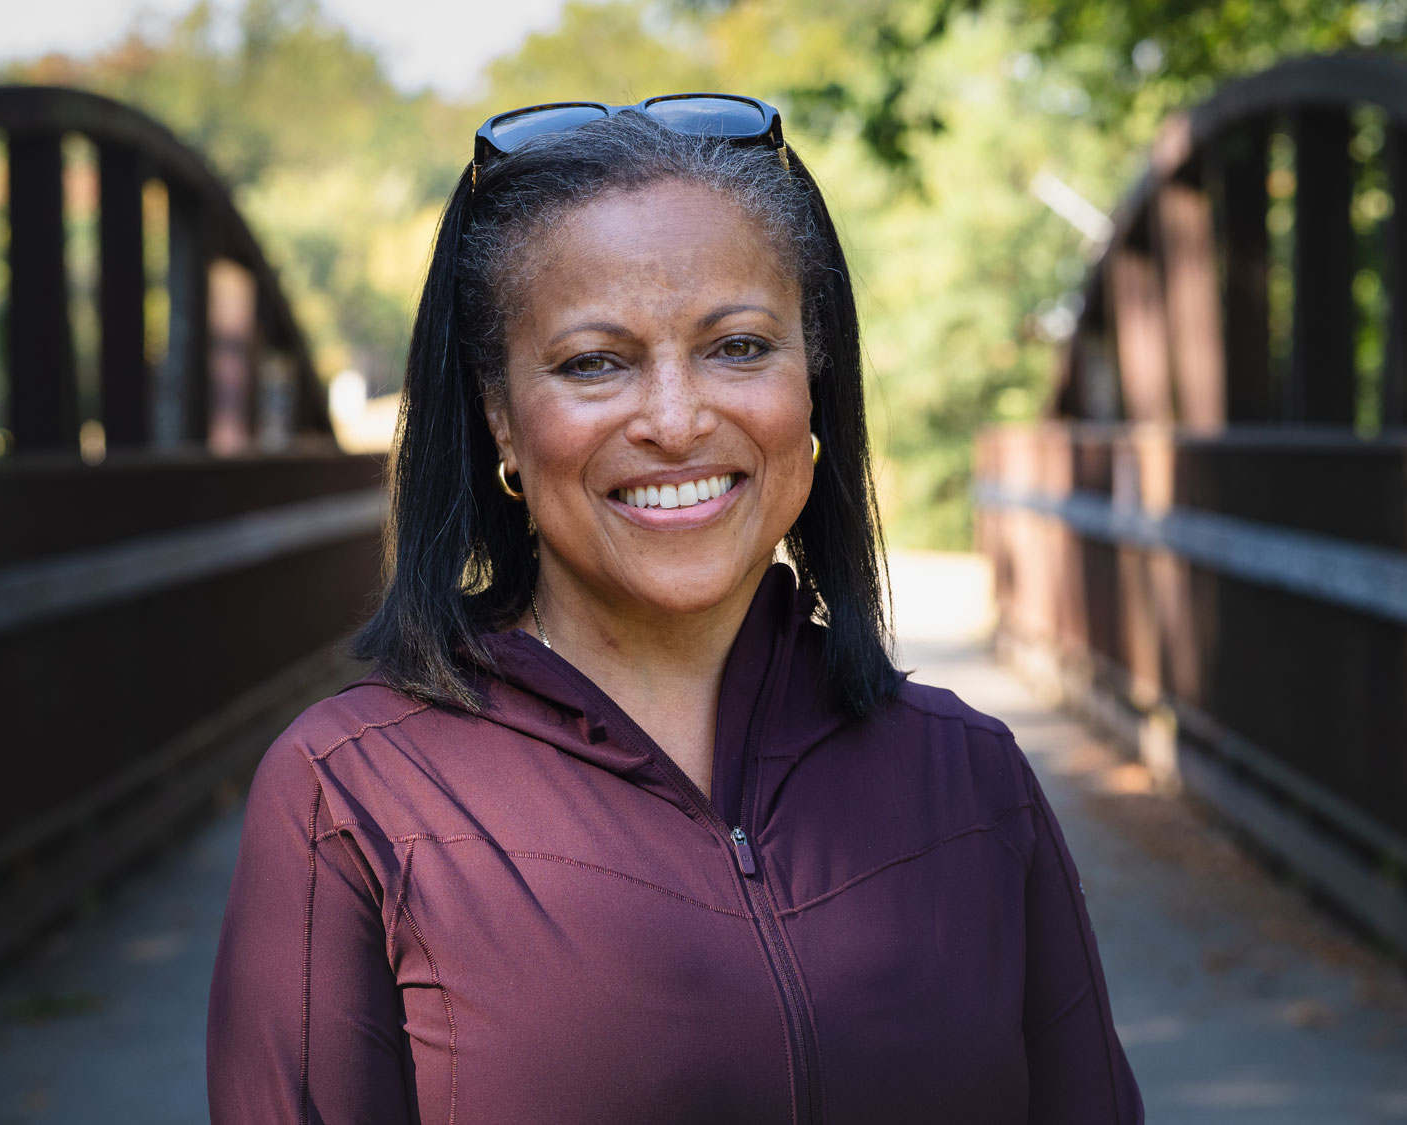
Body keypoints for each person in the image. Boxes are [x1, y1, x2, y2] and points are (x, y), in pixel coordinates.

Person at [207, 95, 1144, 1124]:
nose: (676, 419)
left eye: (738, 347)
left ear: (814, 378)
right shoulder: (354, 796)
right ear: (499, 418)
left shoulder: (971, 779)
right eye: (593, 363)